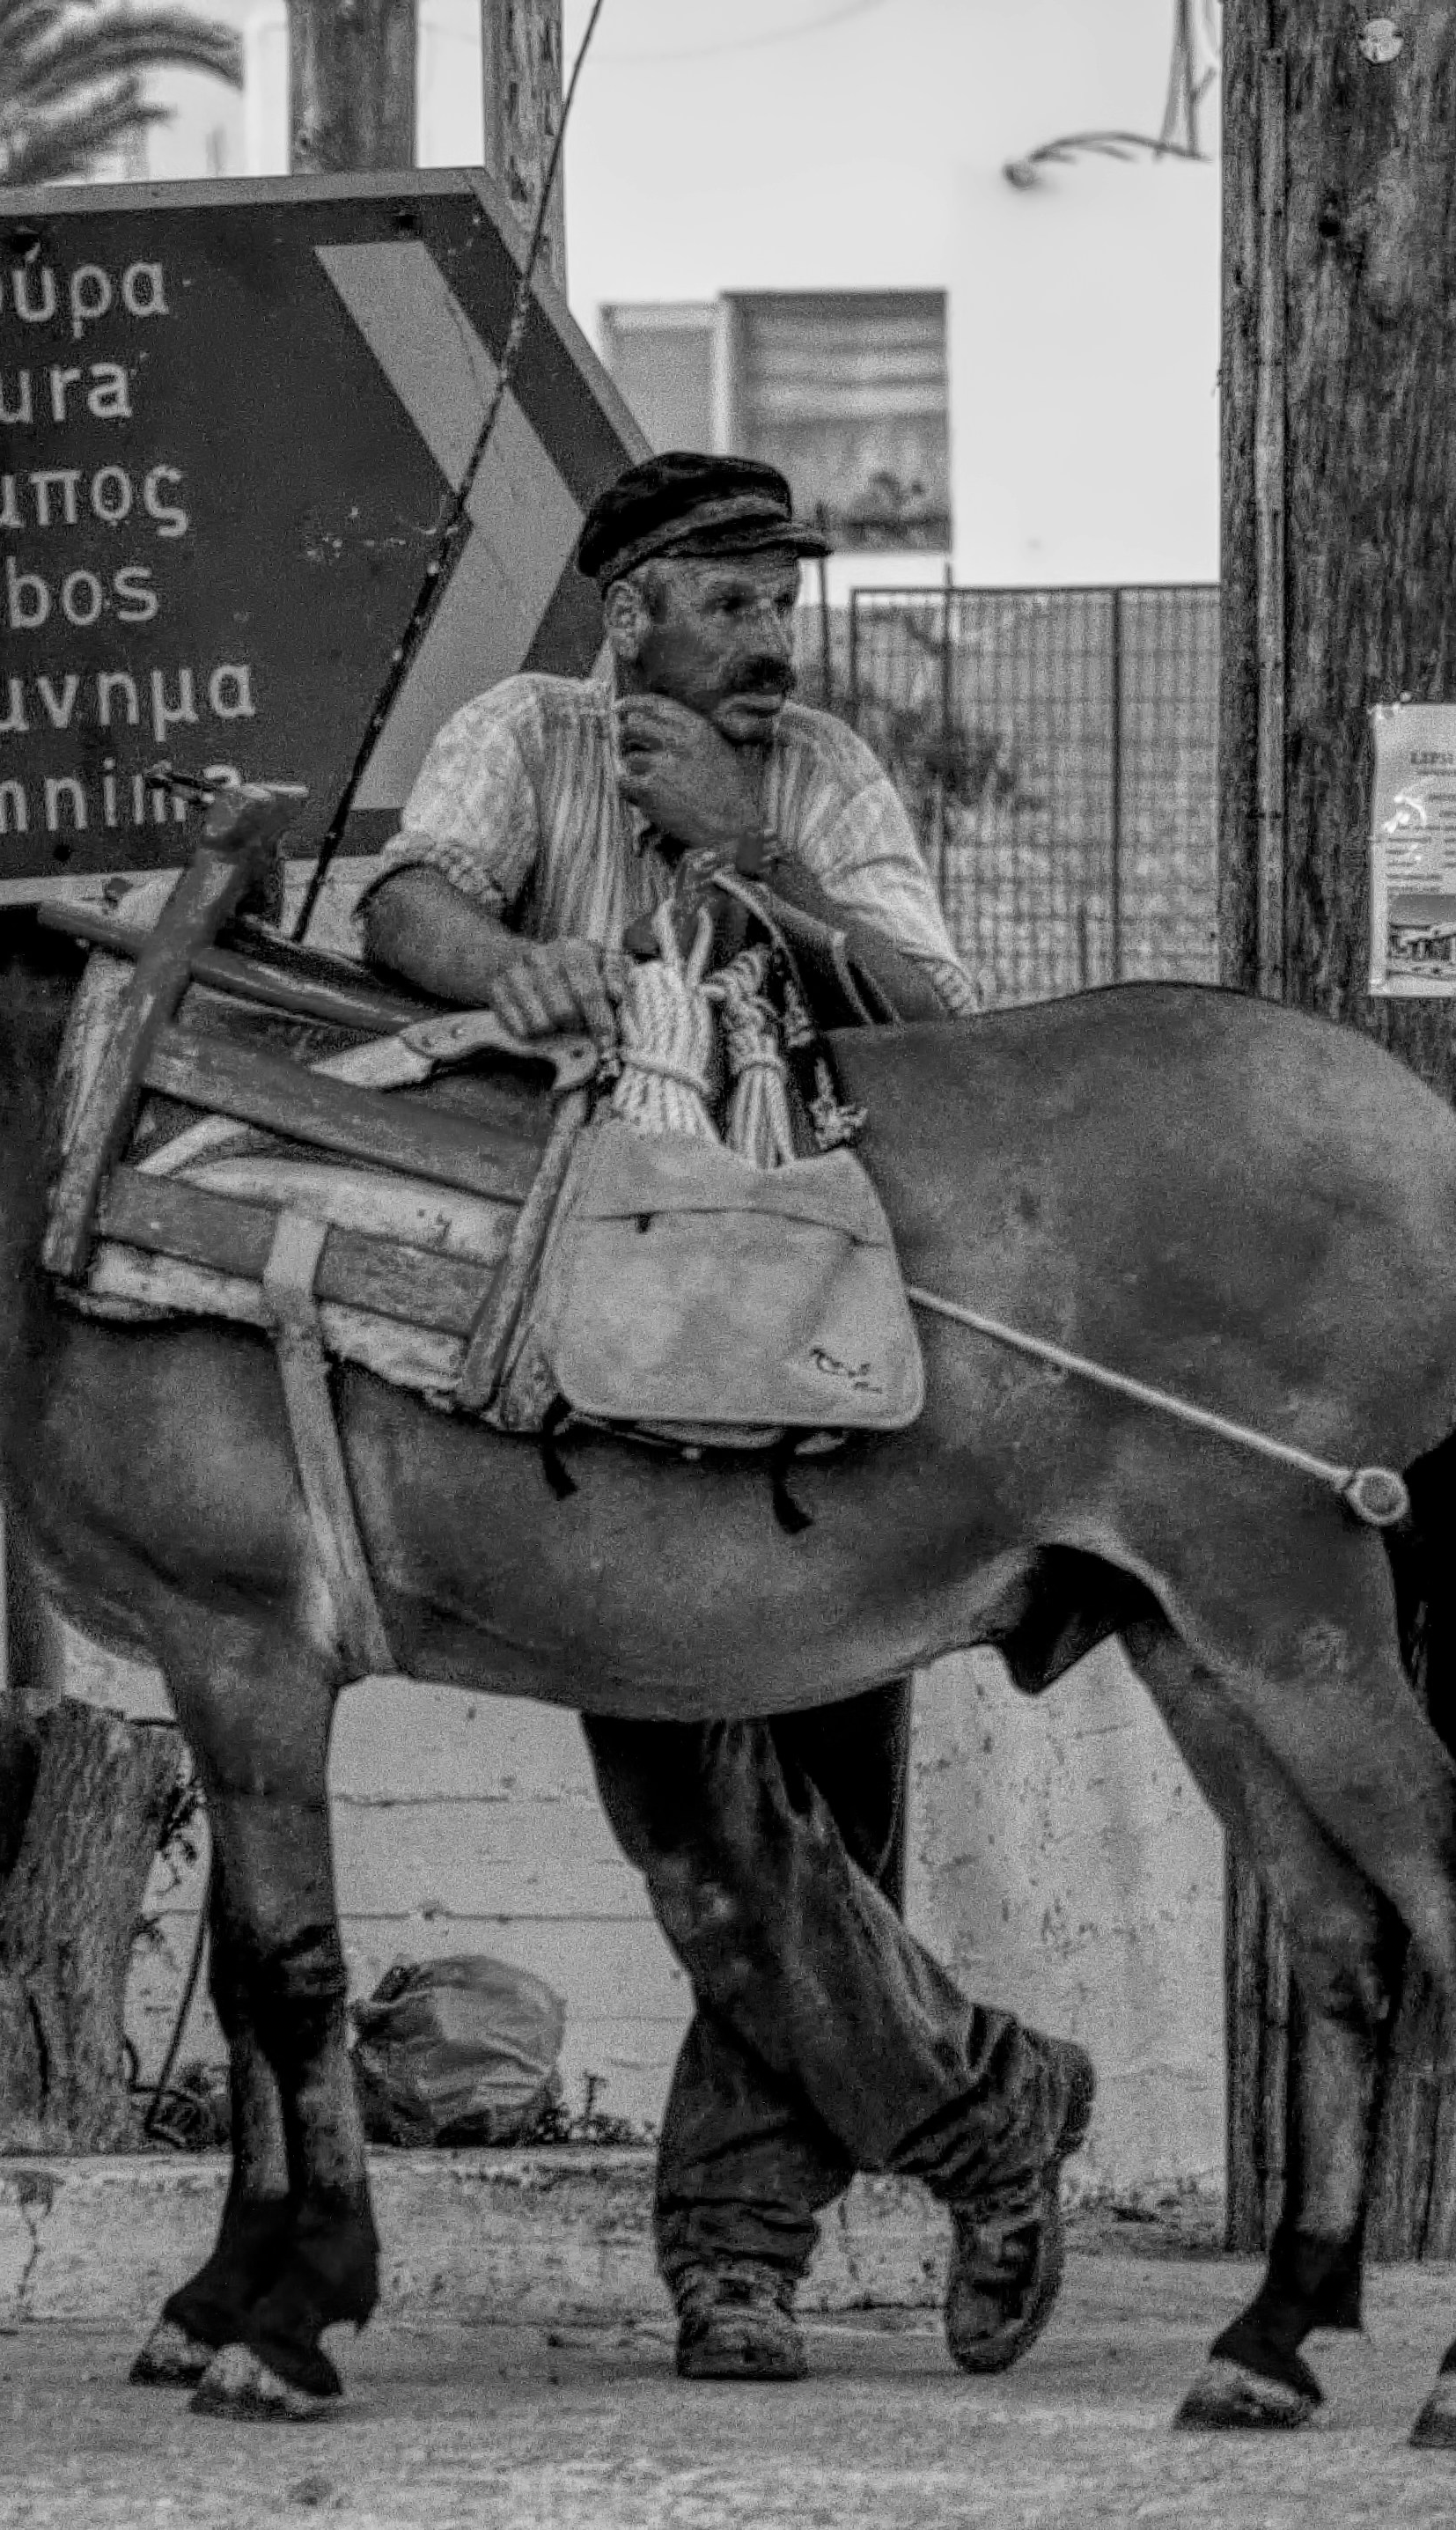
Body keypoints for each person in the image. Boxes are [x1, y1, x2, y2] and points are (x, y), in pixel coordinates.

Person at [357, 451, 1096, 2387]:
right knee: (698, 1810)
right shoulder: (526, 734)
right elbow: (406, 905)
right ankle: (986, 2116)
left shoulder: (822, 773)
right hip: (603, 1358)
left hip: (814, 1344)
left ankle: (737, 2263)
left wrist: (749, 853)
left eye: (786, 603)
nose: (774, 639)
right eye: (734, 603)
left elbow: (935, 1016)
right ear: (634, 613)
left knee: (821, 1824)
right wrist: (509, 958)